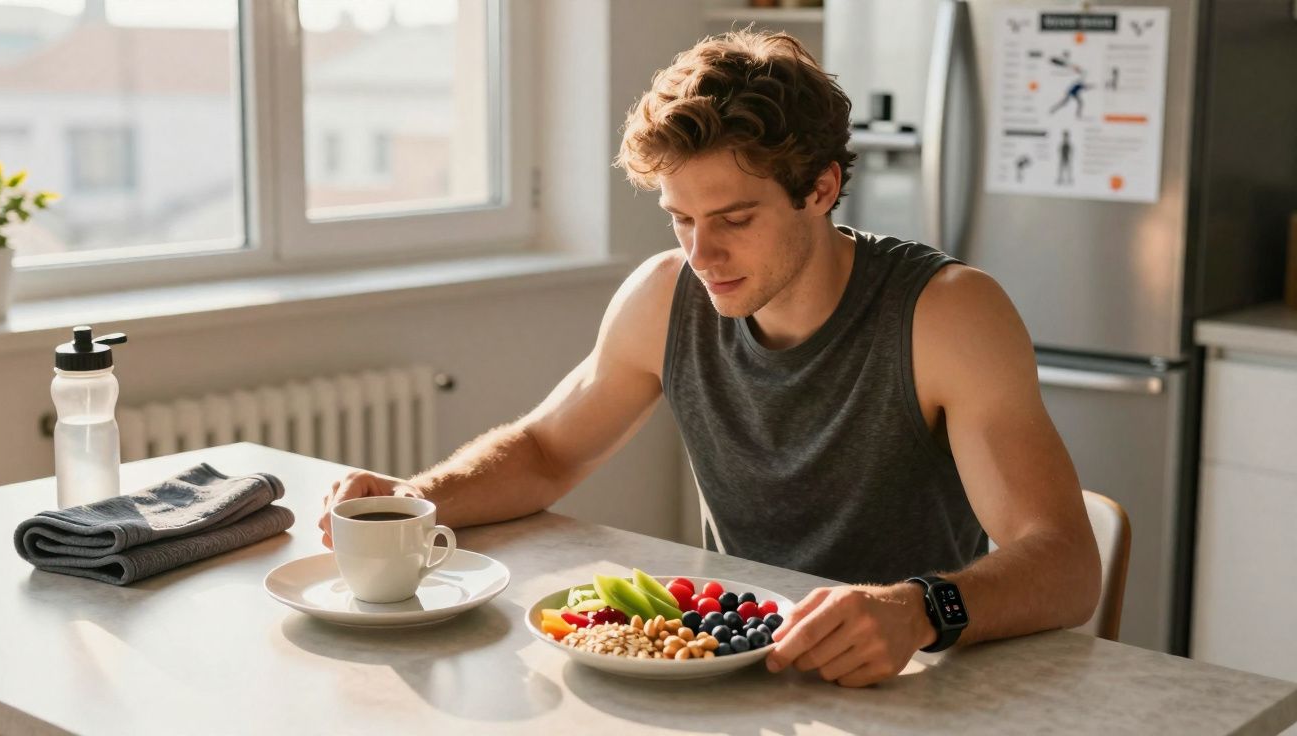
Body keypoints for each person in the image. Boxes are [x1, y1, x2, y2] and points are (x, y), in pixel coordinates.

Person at [319, 30, 1100, 688]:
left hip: (908, 681)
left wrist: (919, 609)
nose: (703, 253)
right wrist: (415, 501)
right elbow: (547, 451)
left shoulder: (948, 313)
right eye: (680, 218)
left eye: (733, 218)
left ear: (822, 187)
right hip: (729, 667)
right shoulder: (666, 295)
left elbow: (1066, 563)